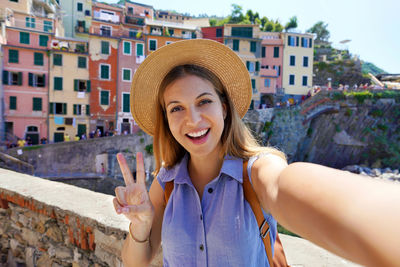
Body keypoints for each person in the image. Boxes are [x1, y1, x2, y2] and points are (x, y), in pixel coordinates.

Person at [113, 39, 400, 267]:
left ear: (224, 107)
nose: (193, 120)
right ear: (166, 118)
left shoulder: (257, 169)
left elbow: (284, 185)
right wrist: (142, 224)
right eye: (176, 108)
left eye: (204, 102)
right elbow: (136, 260)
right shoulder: (166, 182)